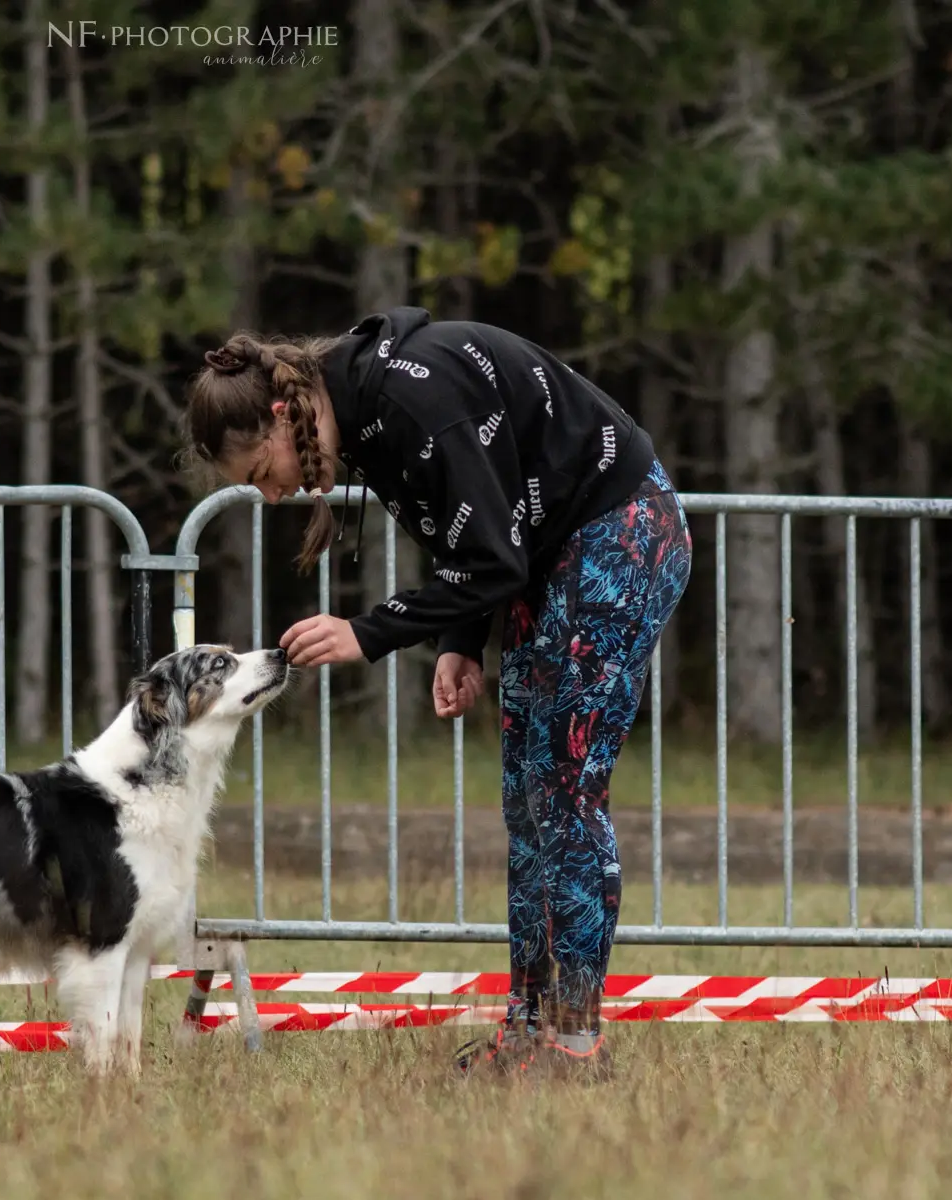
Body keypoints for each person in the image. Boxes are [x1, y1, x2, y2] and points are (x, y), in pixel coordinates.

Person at [180, 307, 691, 1080]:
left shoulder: (409, 400)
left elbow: (492, 553)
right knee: (527, 799)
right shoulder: (365, 412)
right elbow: (474, 532)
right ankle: (529, 1032)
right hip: (553, 554)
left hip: (615, 532)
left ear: (282, 415)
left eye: (262, 474)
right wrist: (458, 642)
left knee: (565, 794)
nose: (276, 496)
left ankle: (577, 1042)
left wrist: (371, 632)